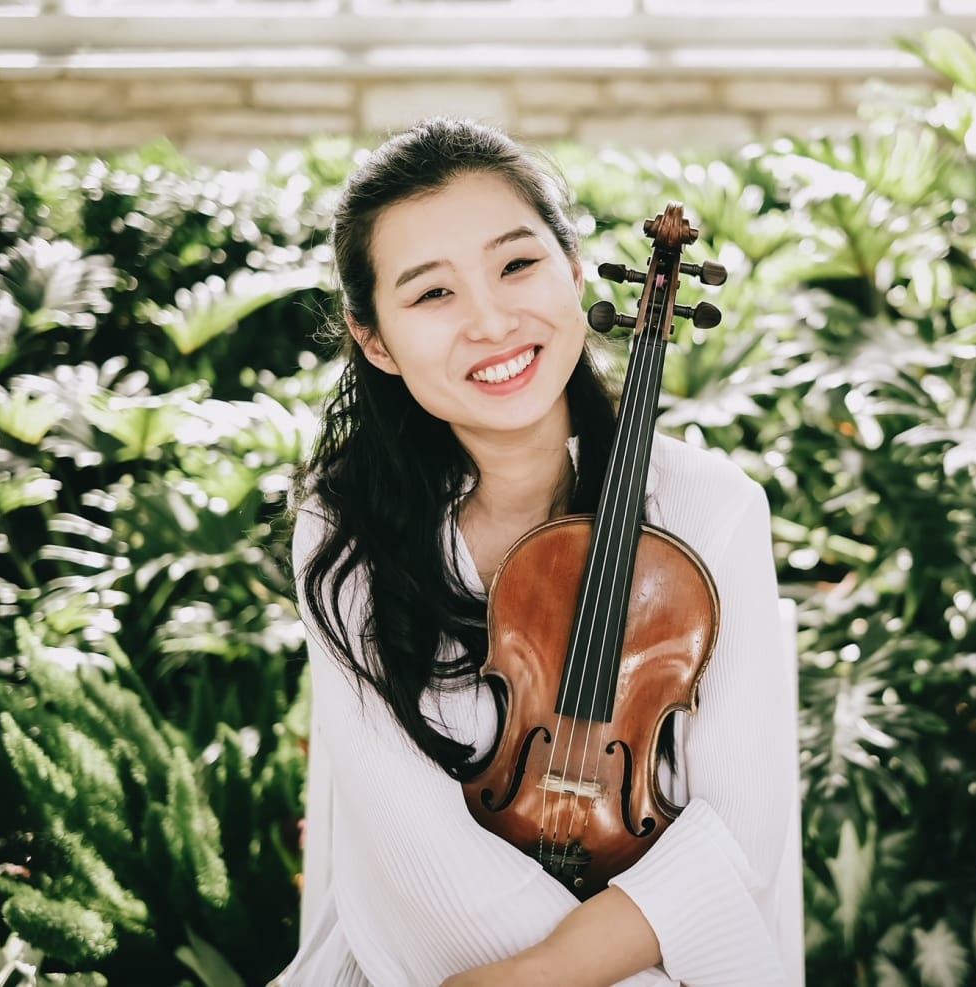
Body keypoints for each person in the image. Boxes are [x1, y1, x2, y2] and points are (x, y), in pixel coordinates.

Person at [276, 116, 797, 987]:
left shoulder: (713, 512)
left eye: (518, 264)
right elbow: (416, 857)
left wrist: (553, 971)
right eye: (431, 294)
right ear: (376, 341)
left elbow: (739, 833)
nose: (490, 321)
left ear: (575, 271)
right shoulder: (345, 527)